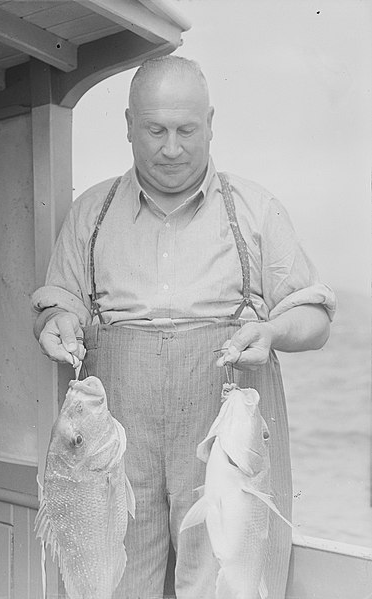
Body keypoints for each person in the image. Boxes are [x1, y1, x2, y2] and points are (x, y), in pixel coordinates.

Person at [32, 56, 336, 599]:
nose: (171, 148)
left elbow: (314, 320)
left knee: (227, 582)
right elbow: (61, 303)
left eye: (187, 130)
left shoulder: (257, 210)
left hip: (224, 432)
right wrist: (59, 321)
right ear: (127, 125)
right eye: (155, 130)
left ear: (211, 123)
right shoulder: (89, 213)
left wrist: (270, 334)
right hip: (117, 443)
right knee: (115, 582)